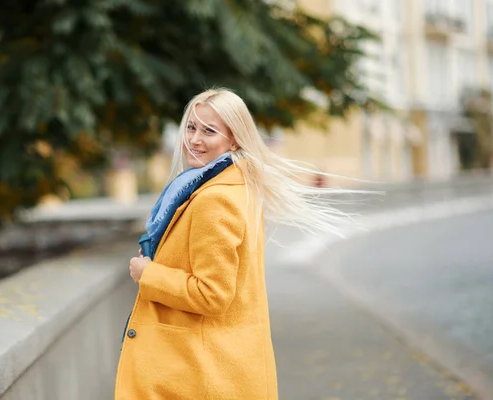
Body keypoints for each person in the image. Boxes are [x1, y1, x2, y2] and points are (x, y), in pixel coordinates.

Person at [115, 88, 353, 399]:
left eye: (209, 131)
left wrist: (148, 275)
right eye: (191, 127)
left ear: (234, 139)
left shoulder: (214, 200)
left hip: (200, 375)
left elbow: (213, 294)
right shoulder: (234, 186)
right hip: (219, 366)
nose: (195, 139)